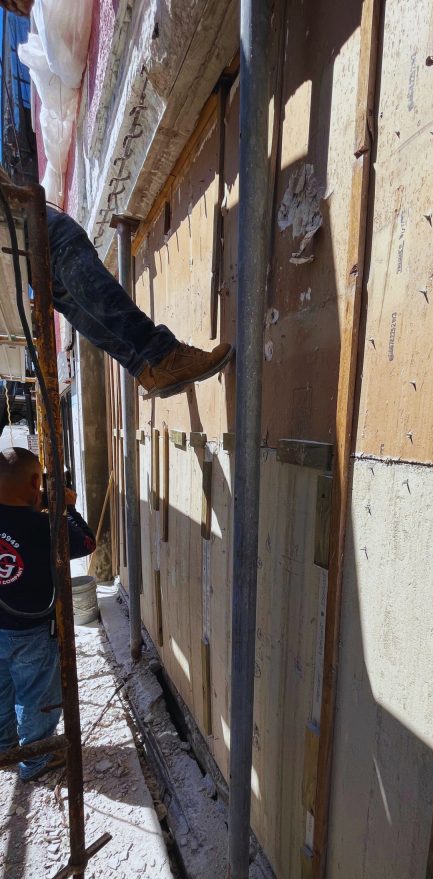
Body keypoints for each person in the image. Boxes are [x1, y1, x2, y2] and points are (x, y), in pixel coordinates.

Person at [45, 207, 233, 400]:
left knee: (73, 302)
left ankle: (146, 370)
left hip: (22, 249)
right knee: (64, 243)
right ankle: (165, 356)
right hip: (30, 225)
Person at [0, 447, 95, 782]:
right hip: (32, 632)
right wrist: (65, 507)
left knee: (2, 689)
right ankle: (37, 759)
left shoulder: (34, 520)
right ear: (34, 482)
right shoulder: (43, 526)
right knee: (36, 695)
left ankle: (5, 747)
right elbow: (85, 543)